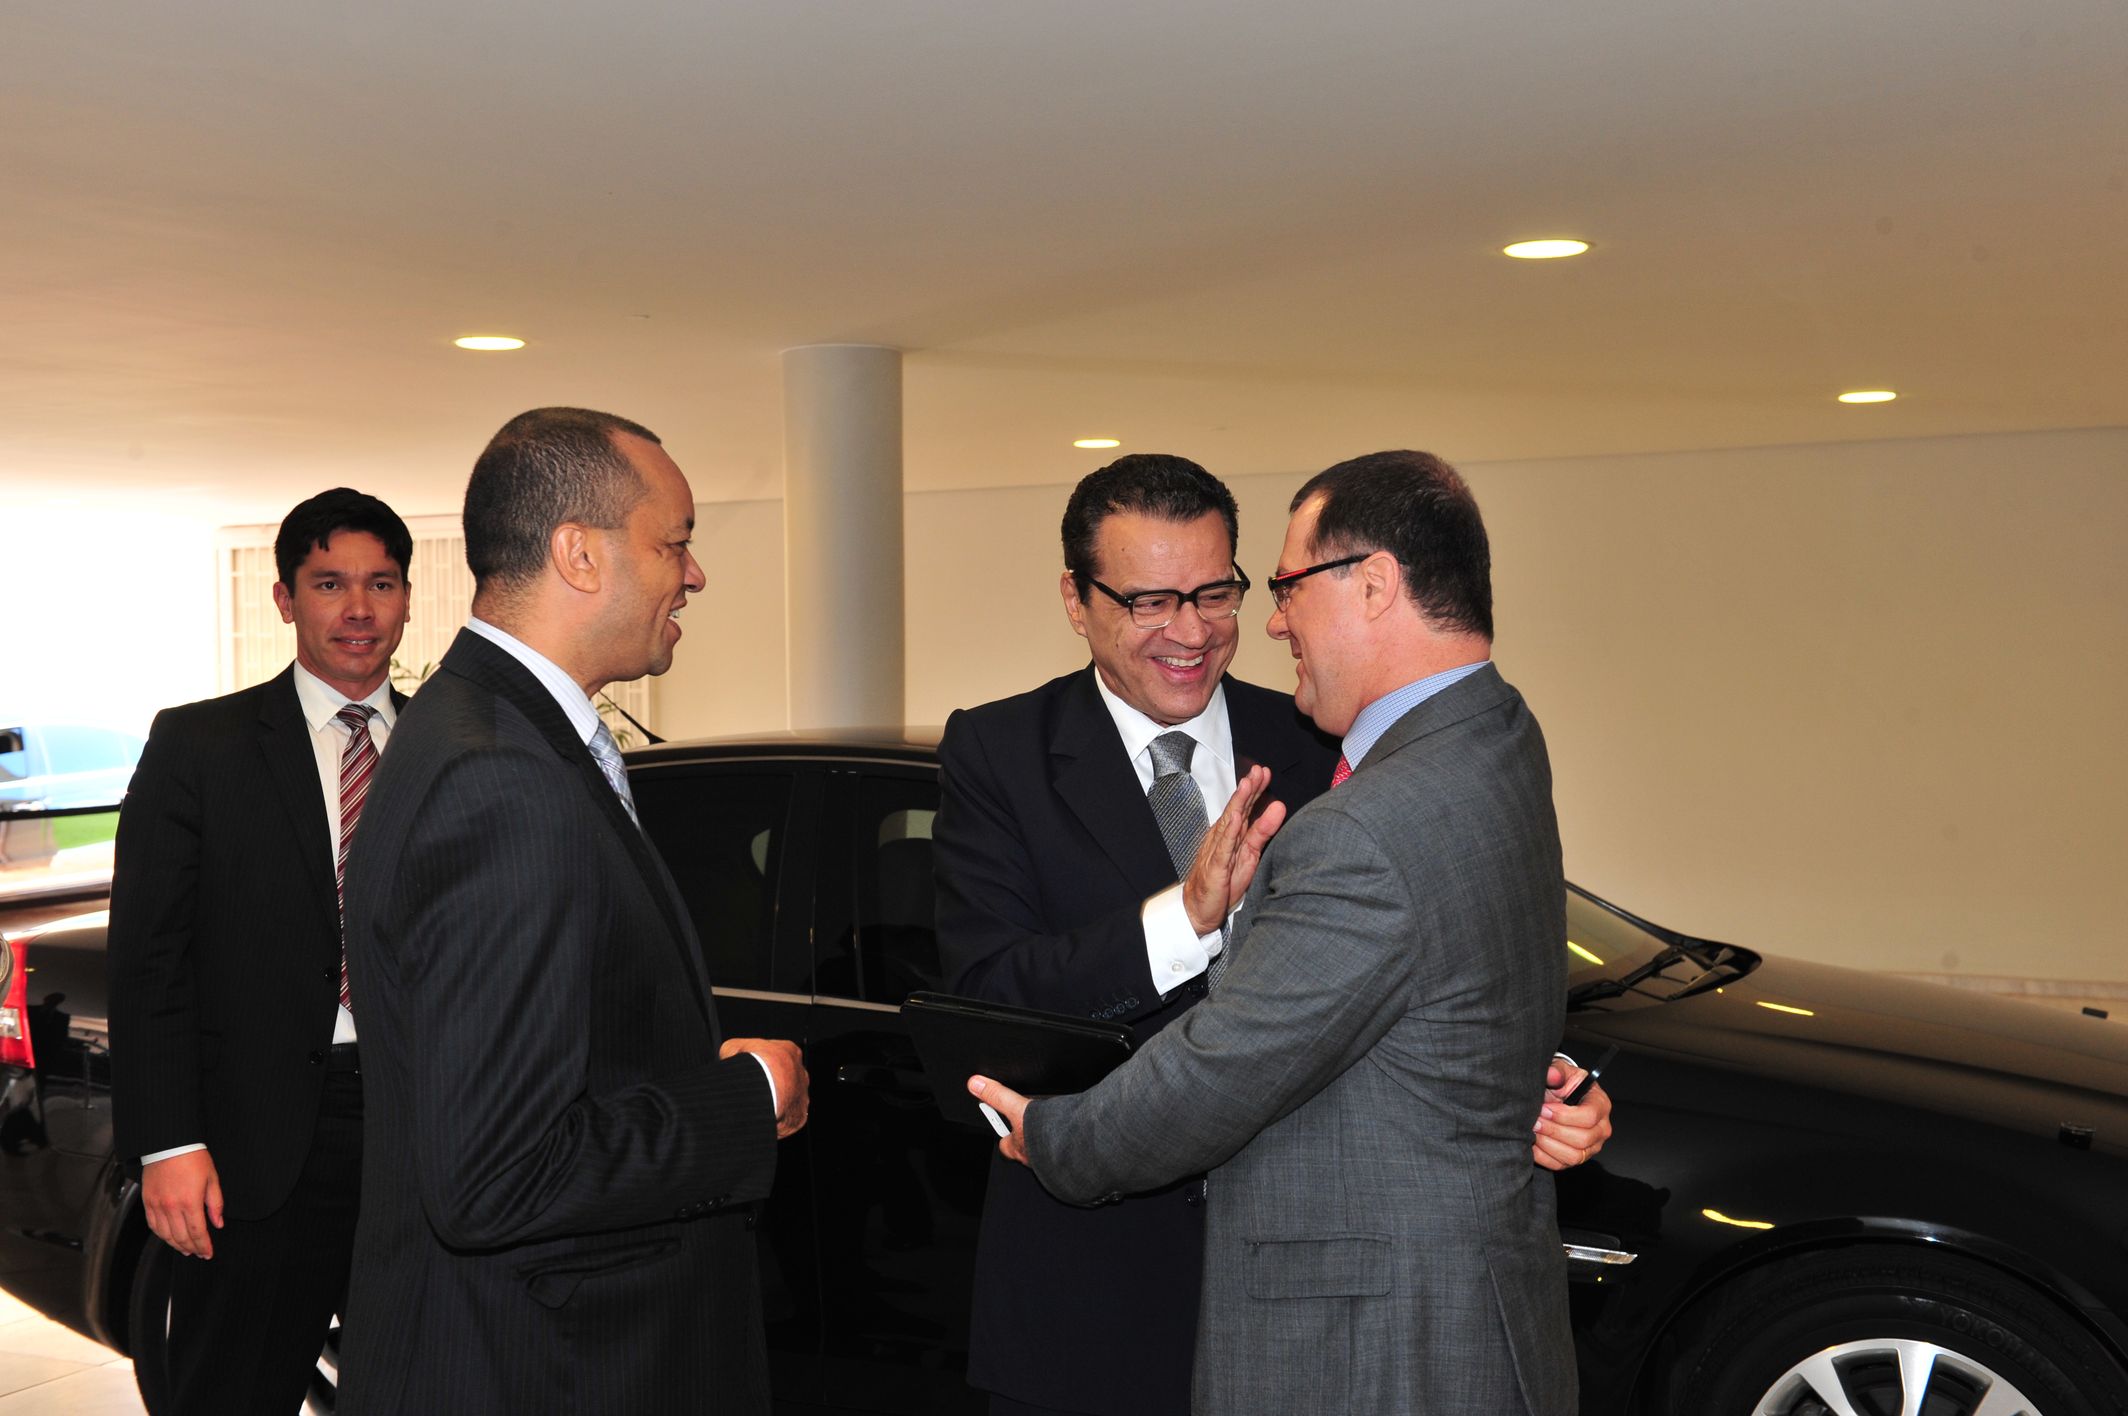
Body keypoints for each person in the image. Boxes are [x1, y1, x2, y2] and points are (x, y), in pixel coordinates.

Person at [936, 454, 1607, 1416]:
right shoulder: (1002, 753)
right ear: (1076, 601)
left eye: (1217, 592)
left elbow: (1449, 924)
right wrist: (1184, 921)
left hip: (1314, 1311)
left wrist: (1538, 1076)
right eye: (1150, 600)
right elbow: (988, 997)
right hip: (1101, 1295)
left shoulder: (1327, 731)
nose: (1192, 630)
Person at [337, 407, 807, 1414]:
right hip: (543, 1368)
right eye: (674, 543)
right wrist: (745, 1100)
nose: (694, 573)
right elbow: (496, 1173)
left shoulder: (480, 728)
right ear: (580, 554)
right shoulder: (500, 777)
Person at [108, 487, 414, 1413]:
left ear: (407, 598)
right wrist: (168, 1143)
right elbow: (150, 961)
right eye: (329, 584)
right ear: (285, 599)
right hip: (257, 1148)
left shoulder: (451, 748)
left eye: (380, 584)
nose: (357, 609)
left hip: (423, 1136)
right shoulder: (201, 745)